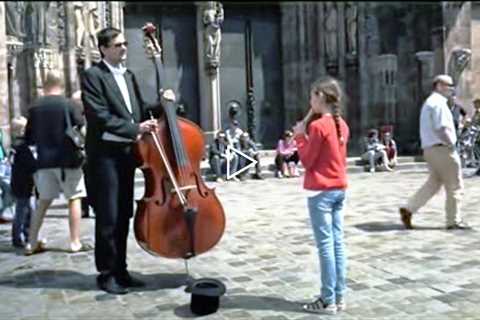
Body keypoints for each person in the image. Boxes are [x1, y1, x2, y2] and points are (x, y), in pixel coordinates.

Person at [81, 27, 172, 295]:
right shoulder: (93, 76)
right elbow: (99, 116)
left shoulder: (129, 76)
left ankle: (121, 269)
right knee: (108, 216)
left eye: (124, 44)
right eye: (118, 45)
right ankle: (106, 273)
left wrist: (163, 105)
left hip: (126, 156)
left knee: (123, 214)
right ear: (104, 49)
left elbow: (141, 111)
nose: (124, 48)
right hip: (104, 156)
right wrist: (136, 129)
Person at [293, 77, 350, 315]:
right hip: (339, 189)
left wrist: (299, 136)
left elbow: (307, 160)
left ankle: (327, 299)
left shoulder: (318, 127)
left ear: (321, 97)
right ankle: (339, 296)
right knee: (337, 245)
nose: (309, 101)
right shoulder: (341, 125)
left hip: (321, 192)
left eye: (312, 96)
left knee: (326, 246)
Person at [24, 70, 90, 256]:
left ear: (45, 84)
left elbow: (28, 137)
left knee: (42, 202)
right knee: (74, 198)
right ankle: (74, 241)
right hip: (69, 159)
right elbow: (82, 129)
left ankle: (31, 242)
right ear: (61, 85)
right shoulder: (69, 104)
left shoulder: (35, 107)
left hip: (45, 161)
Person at [399, 74, 470, 230]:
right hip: (442, 148)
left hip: (431, 149)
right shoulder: (438, 103)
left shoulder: (430, 103)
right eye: (448, 85)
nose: (451, 89)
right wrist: (451, 144)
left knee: (434, 183)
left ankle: (409, 208)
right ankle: (453, 220)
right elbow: (441, 127)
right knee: (455, 185)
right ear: (438, 86)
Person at [9, 116, 36, 248]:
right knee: (23, 211)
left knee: (27, 210)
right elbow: (30, 164)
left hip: (18, 183)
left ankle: (26, 234)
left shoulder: (14, 145)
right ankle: (18, 236)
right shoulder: (23, 147)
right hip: (24, 184)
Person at [71, 90, 91, 218]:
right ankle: (84, 208)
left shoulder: (90, 114)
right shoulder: (75, 116)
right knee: (82, 183)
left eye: (77, 103)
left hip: (90, 152)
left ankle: (91, 206)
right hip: (80, 154)